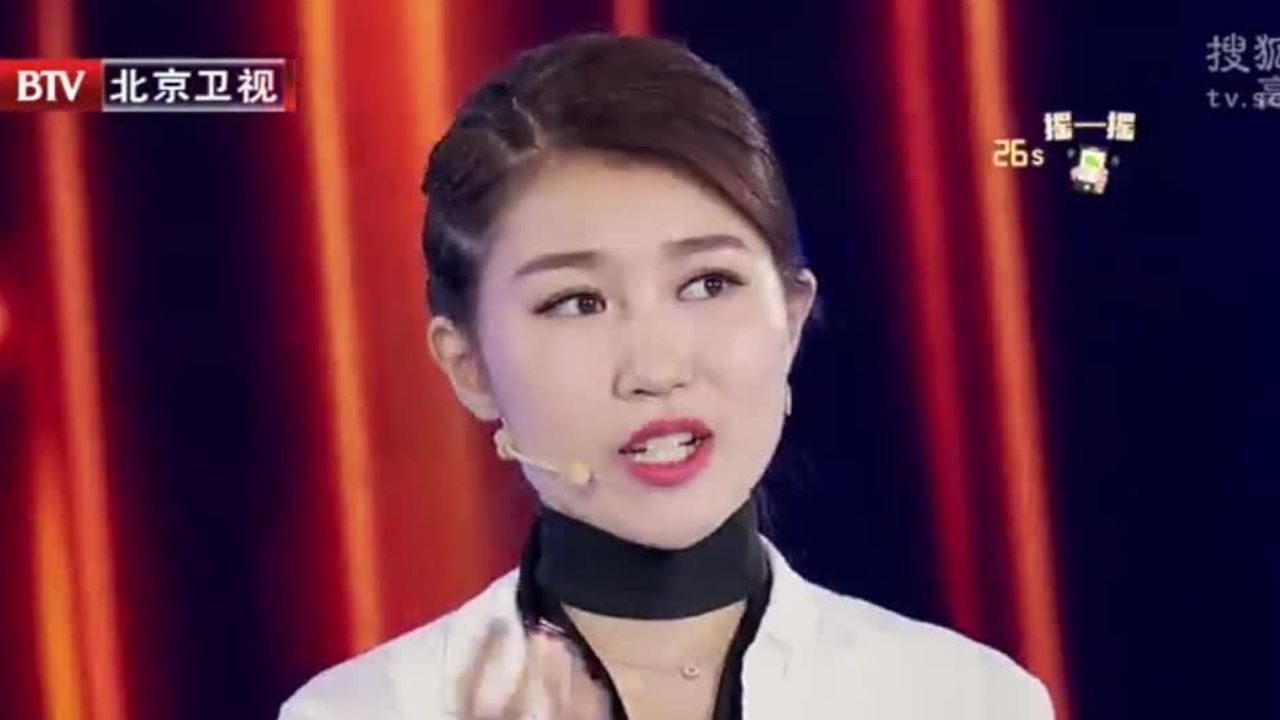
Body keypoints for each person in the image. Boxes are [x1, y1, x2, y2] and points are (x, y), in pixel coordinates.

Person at [279, 32, 1054, 720]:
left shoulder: (966, 699)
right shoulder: (360, 712)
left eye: (709, 284)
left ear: (790, 317)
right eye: (577, 302)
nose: (655, 369)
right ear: (469, 365)